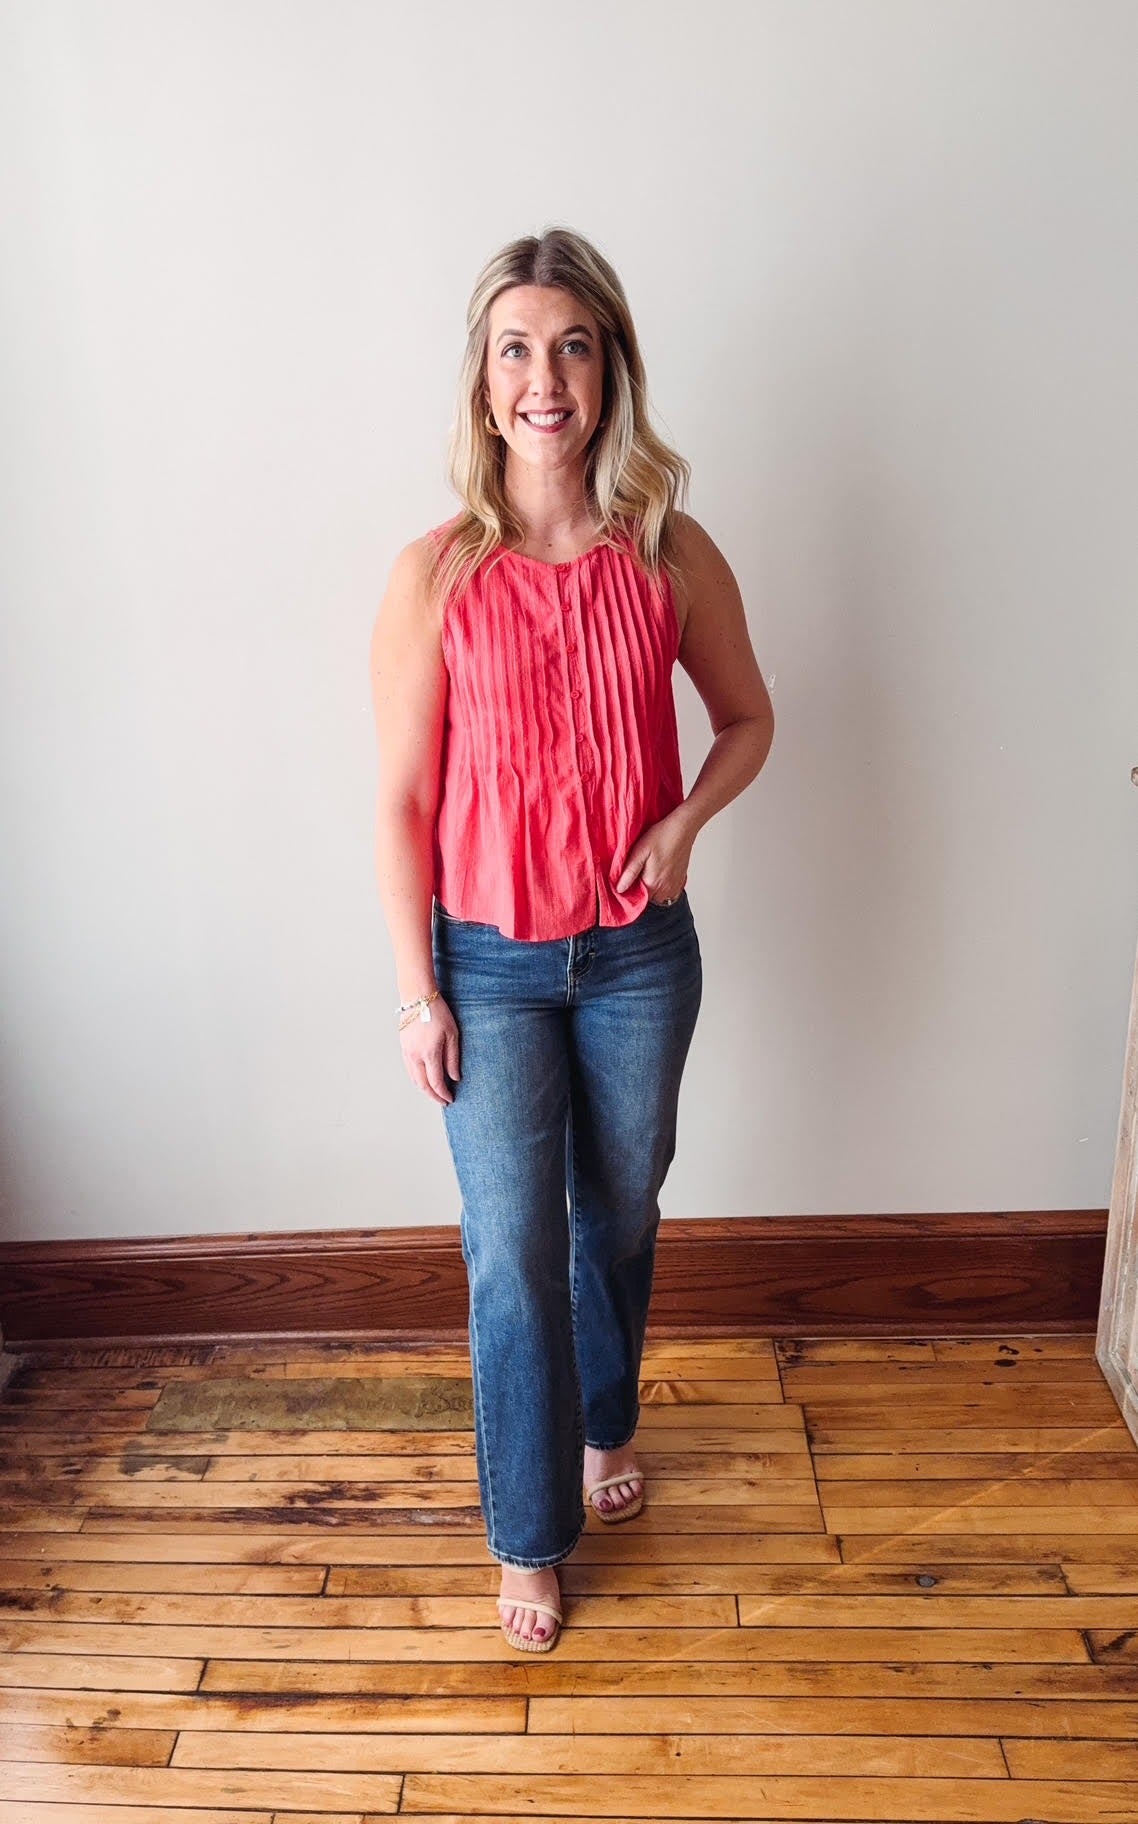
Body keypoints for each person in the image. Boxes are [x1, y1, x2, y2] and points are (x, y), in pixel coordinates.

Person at [370, 225, 773, 1653]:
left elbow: (747, 720)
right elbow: (405, 799)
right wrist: (419, 995)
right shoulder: (435, 576)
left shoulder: (666, 548)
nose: (546, 377)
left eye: (574, 345)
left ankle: (607, 1421)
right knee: (507, 1252)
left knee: (620, 1211)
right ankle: (527, 1535)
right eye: (517, 349)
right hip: (484, 962)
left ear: (610, 371)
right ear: (484, 385)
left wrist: (683, 830)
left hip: (638, 965)